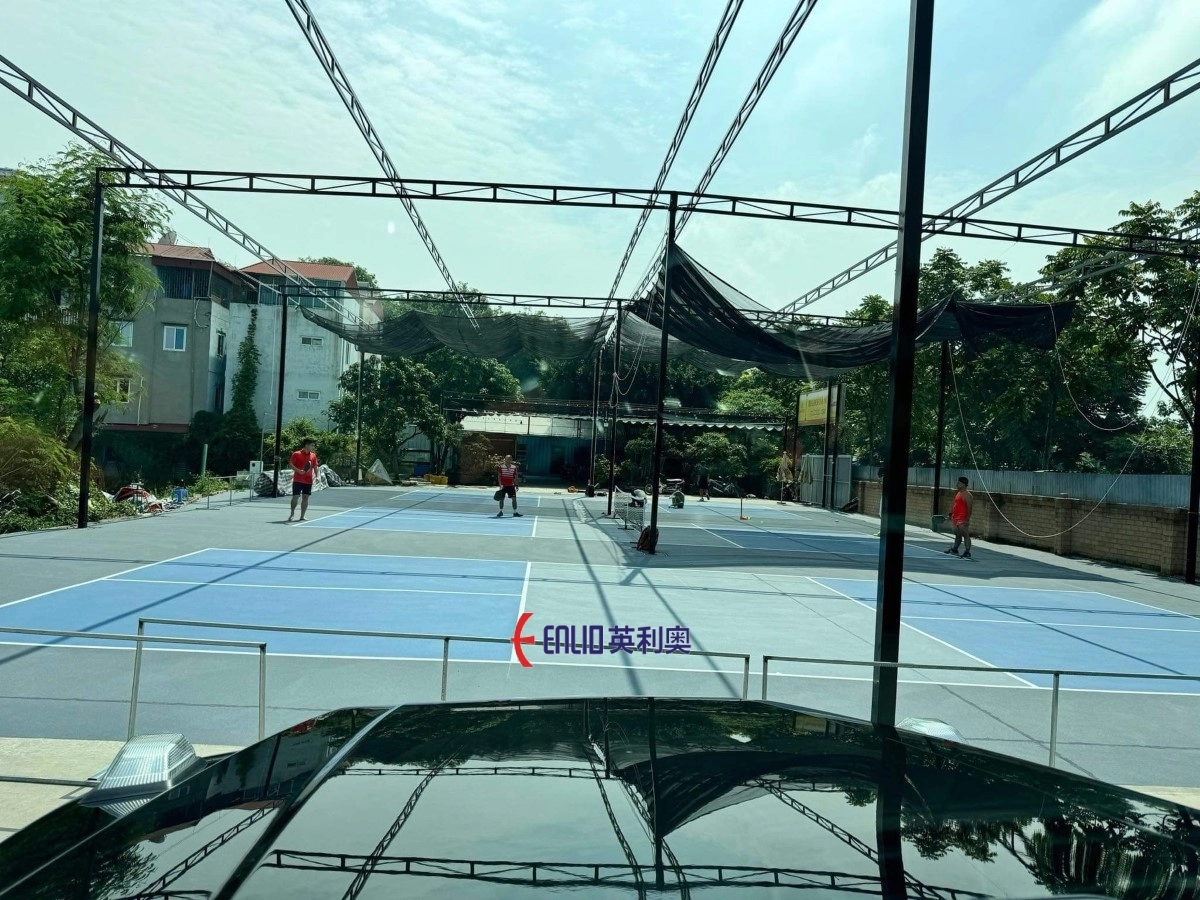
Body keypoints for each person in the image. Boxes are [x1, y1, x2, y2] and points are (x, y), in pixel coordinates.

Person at [287, 438, 318, 522]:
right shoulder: (296, 454)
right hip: (297, 480)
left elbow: (315, 466)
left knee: (305, 497)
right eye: (312, 445)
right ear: (306, 445)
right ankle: (292, 513)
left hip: (308, 481)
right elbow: (291, 464)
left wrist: (317, 476)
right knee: (295, 497)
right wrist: (298, 471)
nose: (313, 447)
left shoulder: (313, 455)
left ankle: (302, 516)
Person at [944, 476, 974, 559]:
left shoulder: (968, 495)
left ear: (964, 484)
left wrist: (967, 519)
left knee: (965, 535)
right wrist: (951, 514)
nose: (957, 484)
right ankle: (955, 549)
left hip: (962, 518)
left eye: (959, 483)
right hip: (955, 517)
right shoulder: (958, 493)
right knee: (957, 534)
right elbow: (956, 505)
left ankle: (967, 552)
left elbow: (969, 508)